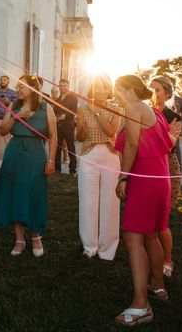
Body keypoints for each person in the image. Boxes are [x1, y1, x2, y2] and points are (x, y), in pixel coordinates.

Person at [113, 75, 179, 326]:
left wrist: (123, 177)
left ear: (128, 90)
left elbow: (131, 144)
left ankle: (141, 305)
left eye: (117, 90)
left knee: (132, 238)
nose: (115, 95)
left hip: (144, 176)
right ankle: (158, 286)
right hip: (159, 176)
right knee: (151, 234)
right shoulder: (152, 110)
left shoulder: (133, 107)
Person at [0, 75, 57, 256]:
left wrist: (51, 160)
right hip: (14, 152)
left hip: (36, 153)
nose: (18, 89)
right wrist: (16, 117)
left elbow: (53, 135)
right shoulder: (13, 106)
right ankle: (19, 239)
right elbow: (3, 130)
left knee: (35, 192)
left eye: (22, 86)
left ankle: (36, 236)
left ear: (33, 88)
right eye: (17, 86)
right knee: (14, 192)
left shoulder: (46, 108)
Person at [75, 74, 122, 260]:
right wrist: (82, 130)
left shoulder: (117, 108)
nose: (100, 91)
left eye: (103, 88)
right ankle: (89, 246)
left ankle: (107, 249)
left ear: (108, 89)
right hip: (88, 155)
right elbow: (79, 137)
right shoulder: (82, 108)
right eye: (97, 88)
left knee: (110, 202)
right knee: (87, 201)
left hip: (110, 157)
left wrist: (96, 112)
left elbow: (111, 131)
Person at [150, 76, 182, 277]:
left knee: (162, 219)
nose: (153, 94)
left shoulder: (174, 117)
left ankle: (168, 258)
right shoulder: (145, 112)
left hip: (166, 166)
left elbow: (169, 144)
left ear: (167, 93)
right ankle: (151, 254)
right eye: (151, 90)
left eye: (157, 90)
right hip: (147, 165)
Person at [54, 78, 78, 175]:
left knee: (71, 148)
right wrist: (56, 117)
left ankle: (72, 170)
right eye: (61, 85)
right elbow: (54, 112)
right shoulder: (57, 100)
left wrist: (66, 116)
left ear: (68, 87)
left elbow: (74, 111)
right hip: (58, 126)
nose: (63, 87)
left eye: (65, 85)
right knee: (57, 148)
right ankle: (57, 169)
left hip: (69, 126)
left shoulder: (73, 98)